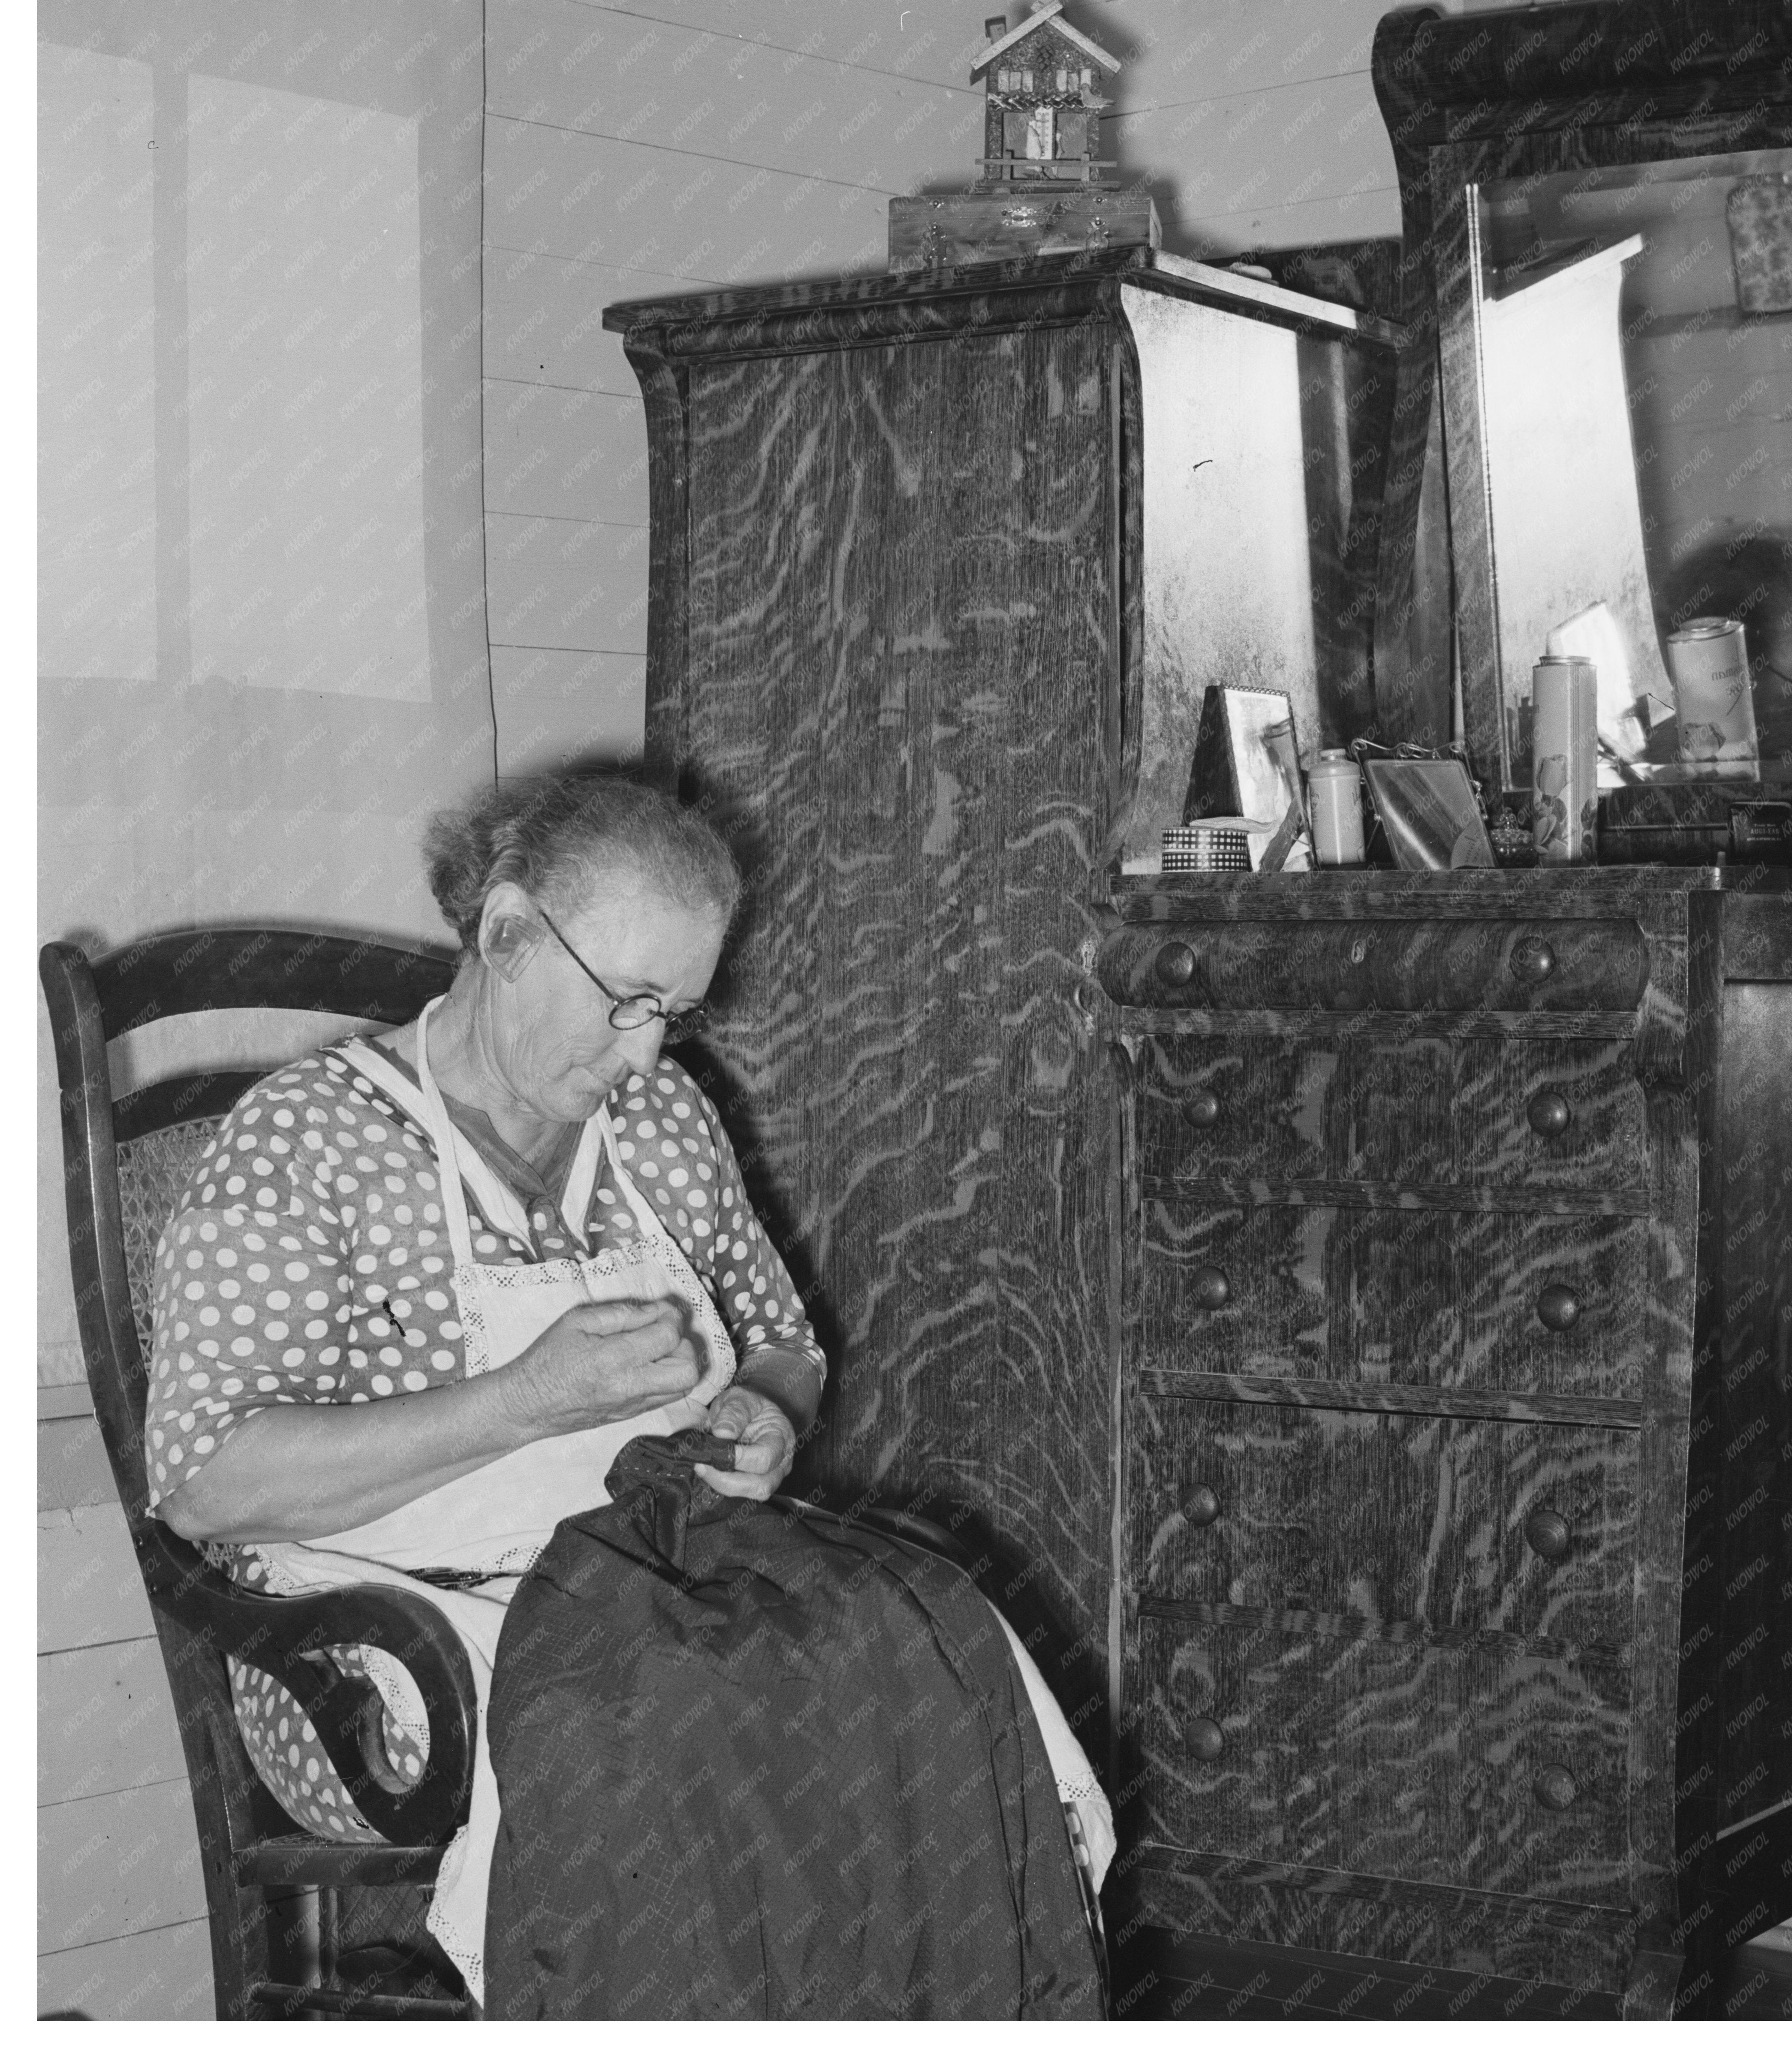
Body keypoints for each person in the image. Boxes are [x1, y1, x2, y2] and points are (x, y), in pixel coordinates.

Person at [143, 773, 1109, 2010]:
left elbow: (782, 1344)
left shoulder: (658, 1122)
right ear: (504, 933)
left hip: (663, 1557)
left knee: (930, 1649)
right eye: (625, 1002)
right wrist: (522, 1402)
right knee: (685, 1723)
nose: (645, 1051)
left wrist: (767, 1417)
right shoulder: (306, 1148)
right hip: (382, 1631)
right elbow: (208, 1486)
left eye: (678, 1013)